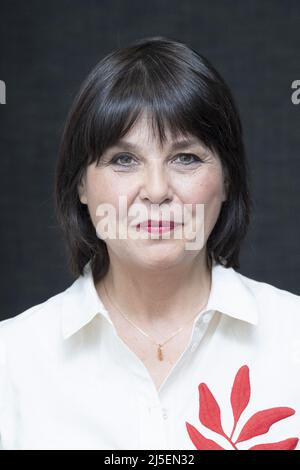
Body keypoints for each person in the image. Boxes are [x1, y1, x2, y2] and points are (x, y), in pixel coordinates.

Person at [0, 36, 299, 451]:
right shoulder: (12, 359)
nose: (156, 191)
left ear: (228, 179)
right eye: (124, 160)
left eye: (186, 158)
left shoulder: (293, 339)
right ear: (81, 184)